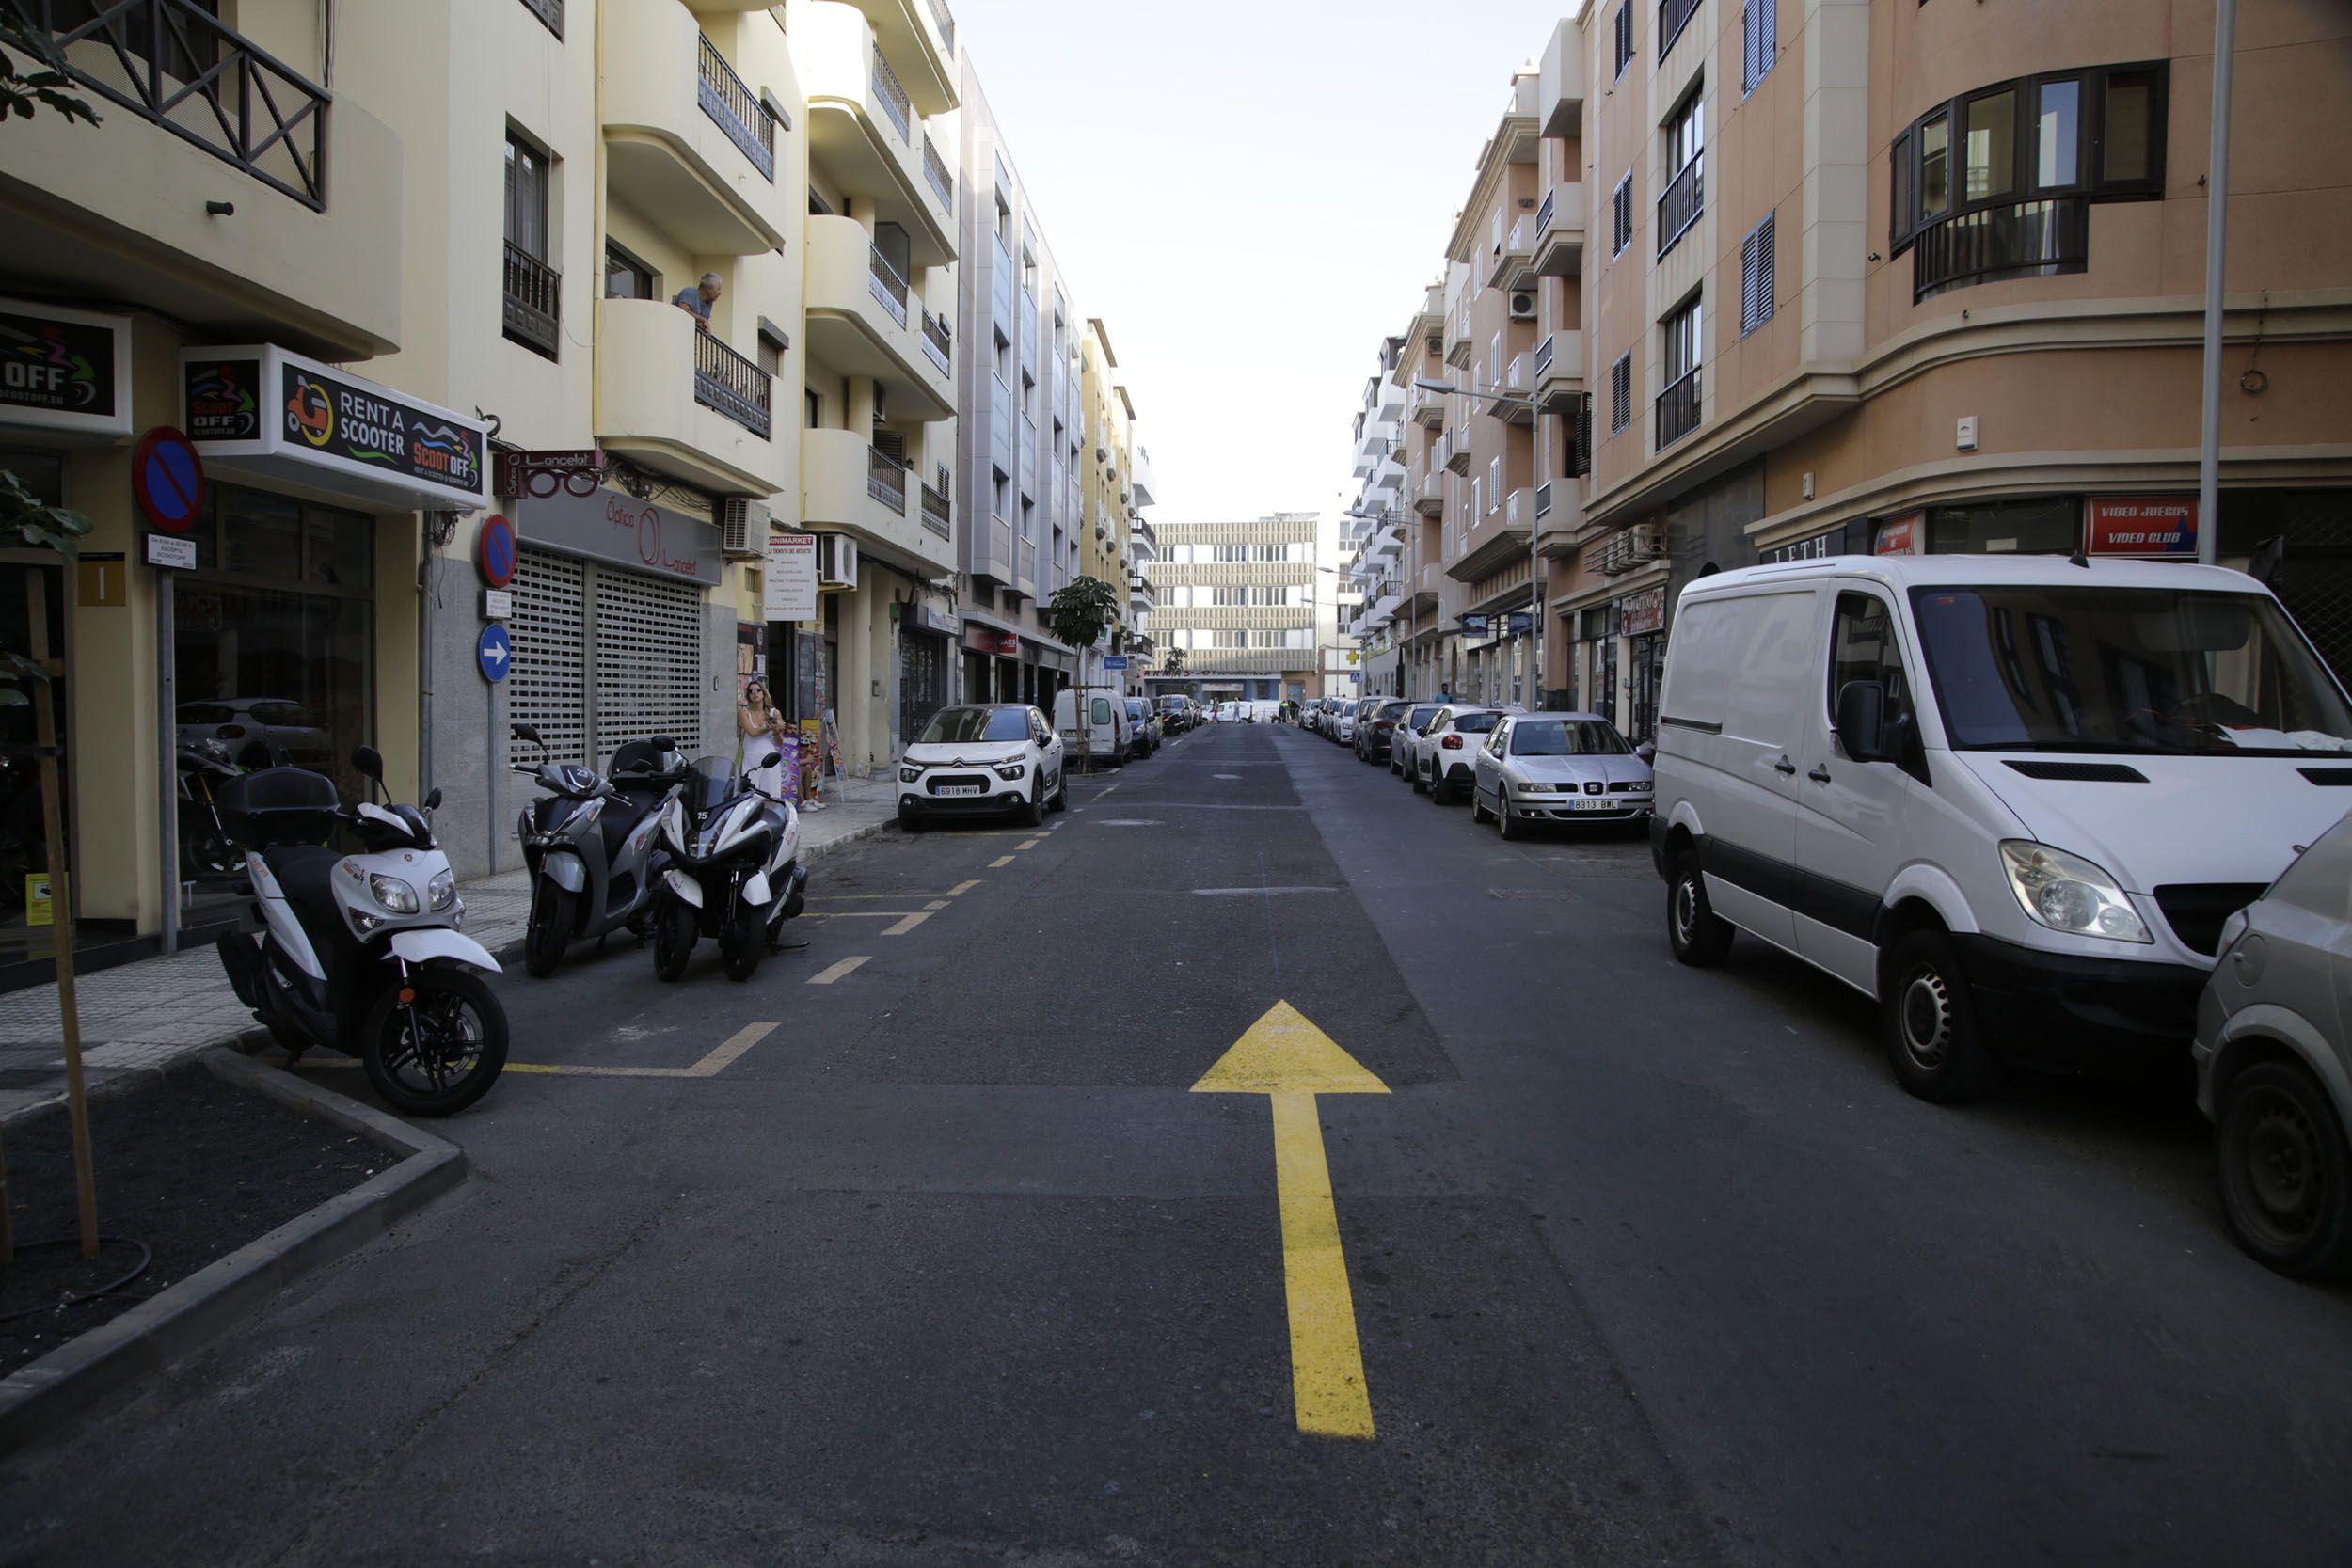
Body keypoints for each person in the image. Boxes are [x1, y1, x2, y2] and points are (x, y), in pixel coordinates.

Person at [737, 679, 787, 800]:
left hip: (770, 757)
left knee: (771, 794)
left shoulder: (775, 713)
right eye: (751, 691)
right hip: (750, 758)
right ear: (748, 696)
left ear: (763, 693)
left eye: (758, 690)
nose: (755, 693)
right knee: (750, 795)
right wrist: (769, 726)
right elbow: (752, 732)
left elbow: (780, 742)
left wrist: (776, 731)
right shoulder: (743, 712)